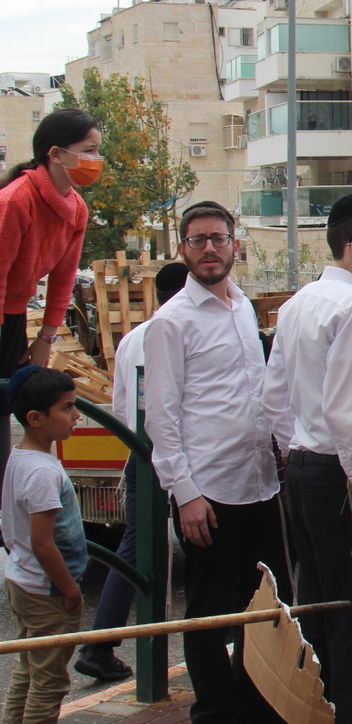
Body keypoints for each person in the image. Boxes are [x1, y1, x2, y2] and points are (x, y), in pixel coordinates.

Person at [143, 201, 288, 723]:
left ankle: (256, 704)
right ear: (183, 249)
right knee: (208, 612)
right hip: (210, 492)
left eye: (218, 238)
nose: (209, 248)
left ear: (235, 245)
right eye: (198, 240)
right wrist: (186, 493)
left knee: (263, 607)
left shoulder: (244, 307)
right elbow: (161, 417)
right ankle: (214, 712)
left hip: (260, 484)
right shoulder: (171, 323)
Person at [263, 193, 352, 724]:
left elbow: (274, 399)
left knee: (318, 613)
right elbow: (348, 416)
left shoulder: (300, 302)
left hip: (305, 467)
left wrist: (299, 451)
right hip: (339, 475)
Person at [74, 261, 188, 683]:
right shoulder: (186, 333)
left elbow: (123, 410)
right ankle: (211, 641)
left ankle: (99, 644)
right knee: (204, 542)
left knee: (135, 546)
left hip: (142, 454)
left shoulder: (132, 339)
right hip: (184, 455)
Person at [0, 108, 101, 484]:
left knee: (13, 404)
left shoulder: (75, 207)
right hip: (3, 314)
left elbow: (62, 280)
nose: (95, 161)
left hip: (11, 316)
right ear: (56, 154)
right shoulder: (16, 201)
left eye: (97, 151)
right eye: (87, 151)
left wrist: (46, 338)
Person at [2, 367, 84, 724]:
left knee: (27, 670)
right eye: (67, 408)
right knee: (49, 683)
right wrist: (70, 591)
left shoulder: (20, 458)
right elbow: (43, 543)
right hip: (47, 592)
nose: (76, 416)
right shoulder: (42, 472)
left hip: (23, 581)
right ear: (35, 418)